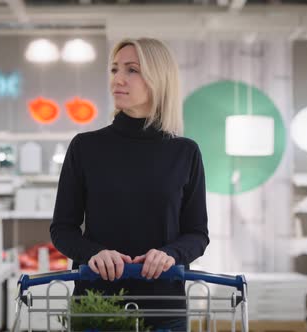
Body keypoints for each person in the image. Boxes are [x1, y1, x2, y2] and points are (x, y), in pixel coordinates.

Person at [50, 37, 209, 331]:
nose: (118, 79)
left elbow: (197, 233)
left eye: (132, 70)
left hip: (164, 309)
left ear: (159, 79)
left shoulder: (185, 152)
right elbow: (62, 229)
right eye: (114, 70)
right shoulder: (85, 147)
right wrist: (93, 253)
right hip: (96, 306)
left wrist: (170, 254)